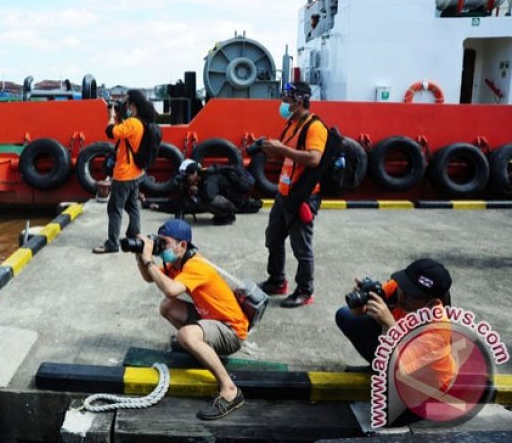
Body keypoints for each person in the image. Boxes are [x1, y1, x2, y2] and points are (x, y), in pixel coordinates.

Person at [135, 219, 248, 420]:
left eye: (165, 242)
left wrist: (148, 260)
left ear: (183, 245)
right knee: (167, 306)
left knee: (185, 335)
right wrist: (139, 255)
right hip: (211, 319)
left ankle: (230, 391)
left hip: (231, 331)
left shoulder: (196, 265)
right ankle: (199, 347)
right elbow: (150, 277)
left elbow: (170, 288)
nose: (161, 247)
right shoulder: (176, 262)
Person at [260, 81, 327, 307]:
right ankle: (277, 281)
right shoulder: (291, 124)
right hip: (284, 193)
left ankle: (305, 291)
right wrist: (273, 151)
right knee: (273, 238)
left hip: (302, 196)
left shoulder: (314, 127)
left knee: (301, 247)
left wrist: (281, 149)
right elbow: (289, 156)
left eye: (287, 100)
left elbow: (314, 158)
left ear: (299, 100)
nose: (283, 104)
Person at [335, 259, 454, 371]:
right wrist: (360, 301)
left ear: (432, 302)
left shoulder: (437, 330)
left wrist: (390, 325)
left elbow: (406, 367)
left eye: (411, 295)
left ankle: (385, 379)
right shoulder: (397, 288)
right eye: (403, 287)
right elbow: (358, 314)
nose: (402, 295)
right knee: (346, 316)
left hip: (425, 382)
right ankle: (379, 370)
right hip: (398, 353)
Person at [93, 89, 154, 254]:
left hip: (124, 174)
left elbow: (110, 132)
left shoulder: (133, 124)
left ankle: (112, 244)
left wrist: (111, 116)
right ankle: (134, 235)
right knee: (132, 205)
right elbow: (123, 133)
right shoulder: (140, 122)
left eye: (126, 102)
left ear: (132, 104)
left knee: (114, 208)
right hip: (136, 172)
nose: (125, 105)